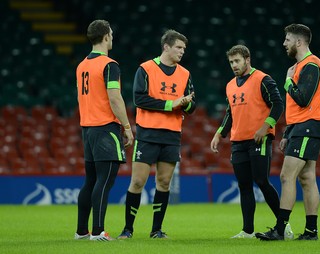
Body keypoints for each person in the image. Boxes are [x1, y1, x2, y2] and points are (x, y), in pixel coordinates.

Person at [256, 24, 320, 241]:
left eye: (287, 39)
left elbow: (303, 99)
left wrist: (288, 81)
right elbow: (298, 107)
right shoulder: (301, 66)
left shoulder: (311, 65)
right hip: (303, 126)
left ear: (299, 42)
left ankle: (280, 229)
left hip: (309, 125)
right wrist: (288, 132)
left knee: (286, 176)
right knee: (307, 177)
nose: (284, 43)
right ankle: (311, 232)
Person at [117, 29, 196, 239]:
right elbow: (140, 100)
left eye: (184, 49)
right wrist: (173, 103)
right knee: (137, 182)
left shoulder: (185, 73)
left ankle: (156, 230)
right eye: (179, 47)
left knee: (163, 182)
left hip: (171, 135)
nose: (182, 51)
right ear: (166, 47)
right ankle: (128, 229)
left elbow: (191, 104)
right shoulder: (145, 69)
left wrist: (186, 105)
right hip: (148, 134)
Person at [210, 45, 290, 239]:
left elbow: (278, 104)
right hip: (238, 141)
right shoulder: (230, 85)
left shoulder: (263, 79)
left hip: (259, 139)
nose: (234, 65)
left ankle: (283, 227)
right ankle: (247, 231)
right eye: (231, 62)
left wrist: (265, 127)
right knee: (244, 186)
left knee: (261, 180)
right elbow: (230, 113)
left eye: (237, 61)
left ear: (247, 59)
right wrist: (219, 133)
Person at [74, 19, 134, 241]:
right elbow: (115, 98)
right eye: (111, 33)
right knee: (104, 181)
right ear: (106, 36)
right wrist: (127, 126)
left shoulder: (81, 66)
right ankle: (98, 231)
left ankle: (81, 231)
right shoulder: (109, 65)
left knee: (90, 181)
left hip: (87, 129)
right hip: (105, 127)